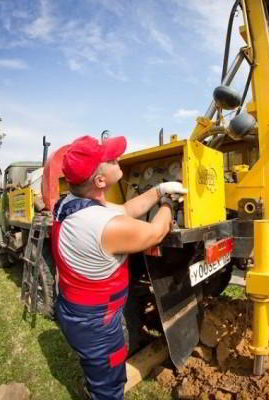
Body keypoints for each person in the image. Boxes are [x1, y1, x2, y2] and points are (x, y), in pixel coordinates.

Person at [51, 135, 186, 399]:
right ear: (100, 181)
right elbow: (156, 232)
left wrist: (159, 190)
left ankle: (93, 383)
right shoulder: (104, 226)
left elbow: (125, 209)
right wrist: (169, 204)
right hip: (96, 322)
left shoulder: (69, 204)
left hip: (75, 309)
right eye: (112, 159)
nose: (119, 159)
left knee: (95, 367)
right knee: (109, 385)